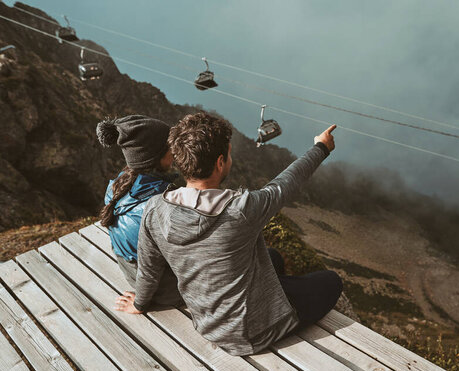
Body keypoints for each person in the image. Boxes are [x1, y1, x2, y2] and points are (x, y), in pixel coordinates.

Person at [114, 112, 343, 356]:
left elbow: (149, 270)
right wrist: (321, 147)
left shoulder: (155, 208)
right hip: (254, 333)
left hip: (207, 324)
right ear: (220, 162)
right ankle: (279, 314)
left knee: (272, 256)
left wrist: (139, 304)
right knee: (331, 281)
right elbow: (286, 183)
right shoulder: (241, 210)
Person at [97, 115, 183, 309]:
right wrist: (140, 304)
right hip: (162, 290)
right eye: (170, 148)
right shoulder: (160, 206)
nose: (175, 153)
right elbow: (152, 267)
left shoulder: (117, 185)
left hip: (133, 274)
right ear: (155, 157)